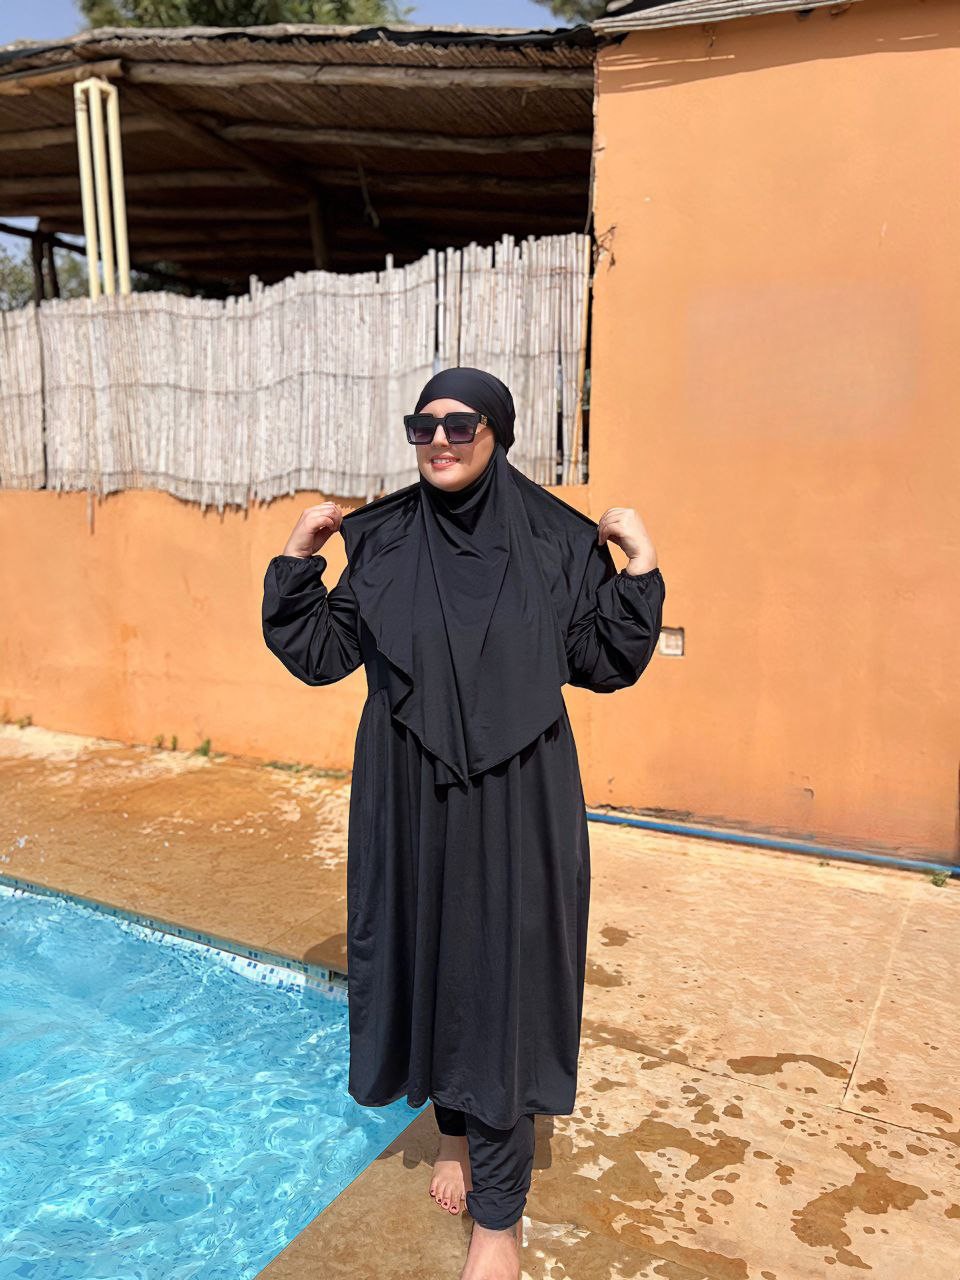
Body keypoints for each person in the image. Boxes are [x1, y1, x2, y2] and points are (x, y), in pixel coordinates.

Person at [261, 367, 665, 1280]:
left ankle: (499, 1219)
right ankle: (455, 1130)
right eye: (423, 425)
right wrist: (298, 556)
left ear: (498, 430)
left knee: (504, 987)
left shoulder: (557, 541)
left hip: (518, 796)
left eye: (460, 423)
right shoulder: (385, 540)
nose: (439, 440)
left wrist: (639, 569)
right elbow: (321, 652)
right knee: (433, 961)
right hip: (409, 793)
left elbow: (602, 659)